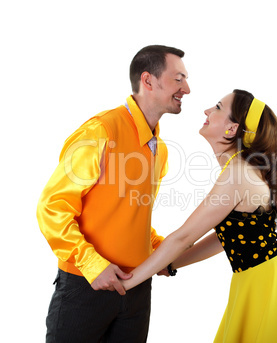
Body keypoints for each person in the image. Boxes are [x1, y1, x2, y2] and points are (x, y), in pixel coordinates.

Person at [122, 89, 277, 342]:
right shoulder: (243, 169)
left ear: (232, 129)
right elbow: (226, 238)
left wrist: (127, 283)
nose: (207, 111)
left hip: (270, 285)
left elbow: (184, 237)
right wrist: (171, 264)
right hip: (266, 279)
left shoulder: (236, 174)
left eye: (218, 107)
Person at [36, 45, 190, 342]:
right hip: (85, 288)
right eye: (178, 78)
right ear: (148, 80)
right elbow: (52, 207)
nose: (187, 88)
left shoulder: (161, 150)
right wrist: (93, 265)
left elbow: (132, 215)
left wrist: (162, 250)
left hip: (136, 291)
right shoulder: (100, 132)